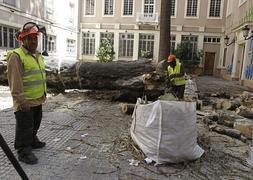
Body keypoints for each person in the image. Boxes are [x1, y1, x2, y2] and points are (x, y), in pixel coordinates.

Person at [7, 22, 47, 164]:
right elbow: (14, 81)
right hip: (25, 101)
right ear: (22, 39)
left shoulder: (37, 54)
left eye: (35, 38)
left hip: (37, 99)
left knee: (35, 123)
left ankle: (32, 140)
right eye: (29, 38)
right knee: (25, 127)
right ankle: (23, 151)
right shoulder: (16, 56)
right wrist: (21, 101)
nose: (33, 41)